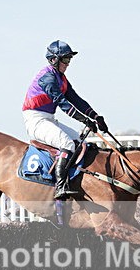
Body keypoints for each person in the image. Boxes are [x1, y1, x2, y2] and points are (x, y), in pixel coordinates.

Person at [22, 40, 108, 200]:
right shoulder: (47, 78)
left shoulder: (61, 78)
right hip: (35, 120)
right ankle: (60, 187)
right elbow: (63, 104)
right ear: (54, 59)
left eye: (69, 59)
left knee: (80, 142)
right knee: (67, 144)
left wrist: (95, 116)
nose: (68, 63)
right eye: (66, 59)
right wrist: (85, 120)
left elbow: (75, 99)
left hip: (48, 118)